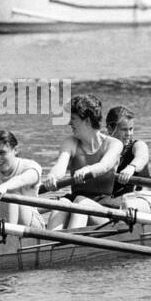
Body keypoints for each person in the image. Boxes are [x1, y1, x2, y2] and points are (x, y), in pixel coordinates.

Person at [43, 94, 123, 230]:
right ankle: (49, 244)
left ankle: (70, 247)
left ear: (86, 121)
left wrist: (87, 170)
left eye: (73, 119)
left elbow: (105, 166)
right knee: (62, 202)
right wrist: (52, 176)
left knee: (80, 202)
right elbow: (60, 166)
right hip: (76, 203)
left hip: (104, 209)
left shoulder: (114, 144)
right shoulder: (70, 143)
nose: (69, 123)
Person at [103, 105, 151, 217]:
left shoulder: (137, 145)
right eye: (124, 129)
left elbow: (141, 157)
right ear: (109, 129)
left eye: (131, 129)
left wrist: (131, 167)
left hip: (140, 201)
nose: (129, 134)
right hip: (116, 204)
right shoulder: (104, 151)